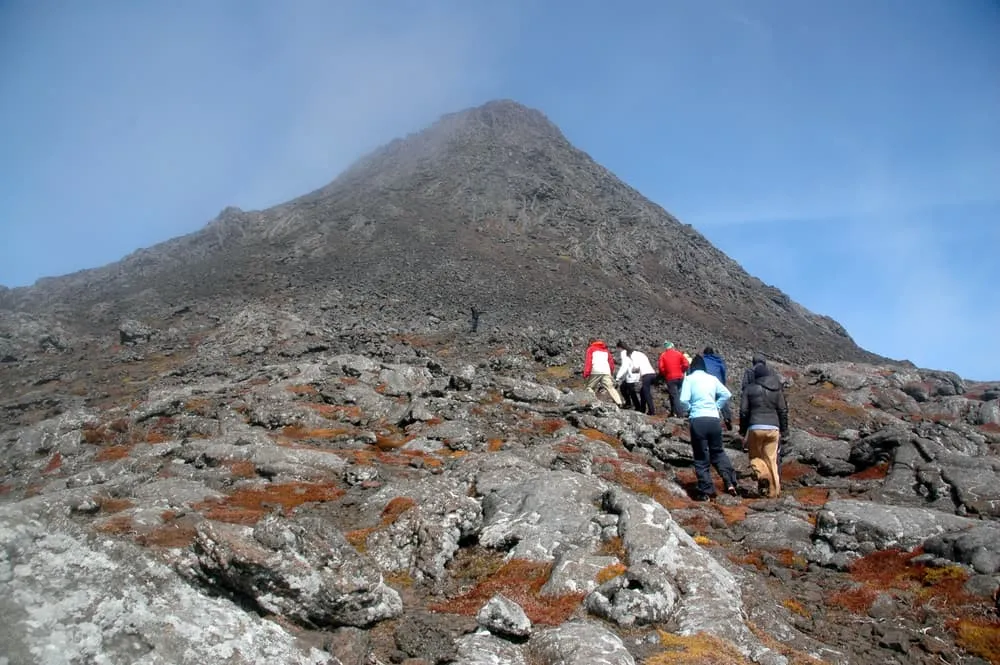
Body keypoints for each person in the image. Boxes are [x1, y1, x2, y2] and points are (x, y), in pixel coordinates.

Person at [680, 354, 738, 500]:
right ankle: (730, 481)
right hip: (714, 420)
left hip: (698, 420)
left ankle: (707, 490)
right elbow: (726, 394)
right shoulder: (712, 378)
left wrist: (690, 409)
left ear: (692, 367)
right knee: (718, 452)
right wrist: (716, 407)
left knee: (701, 456)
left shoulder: (689, 378)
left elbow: (683, 400)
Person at [739, 363, 789, 498]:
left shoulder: (749, 389)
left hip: (755, 426)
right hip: (774, 428)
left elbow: (743, 411)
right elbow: (783, 410)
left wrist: (743, 430)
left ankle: (763, 475)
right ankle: (774, 492)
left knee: (755, 456)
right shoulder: (776, 389)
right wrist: (784, 430)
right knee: (772, 460)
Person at [617, 342, 657, 415]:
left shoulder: (626, 353)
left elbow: (629, 366)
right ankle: (642, 408)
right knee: (642, 392)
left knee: (645, 393)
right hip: (652, 373)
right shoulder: (640, 354)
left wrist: (618, 377)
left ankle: (651, 411)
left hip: (645, 374)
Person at [584, 339, 623, 407]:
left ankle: (593, 401)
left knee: (590, 387)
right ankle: (619, 402)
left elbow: (588, 362)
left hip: (595, 370)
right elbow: (611, 362)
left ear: (590, 343)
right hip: (606, 371)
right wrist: (610, 371)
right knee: (610, 387)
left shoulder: (591, 349)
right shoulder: (606, 350)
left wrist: (586, 373)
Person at [702, 346, 733, 430]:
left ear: (704, 353)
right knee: (722, 399)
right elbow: (723, 373)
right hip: (718, 382)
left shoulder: (702, 361)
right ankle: (727, 418)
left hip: (706, 383)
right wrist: (722, 384)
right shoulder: (718, 361)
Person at [657, 342, 689, 417]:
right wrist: (682, 370)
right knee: (677, 394)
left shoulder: (663, 355)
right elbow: (686, 364)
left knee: (674, 396)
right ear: (672, 347)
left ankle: (680, 414)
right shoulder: (678, 353)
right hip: (680, 377)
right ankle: (673, 411)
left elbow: (661, 368)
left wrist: (666, 373)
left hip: (670, 378)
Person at [614, 341, 641, 411]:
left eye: (617, 348)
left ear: (620, 347)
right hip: (636, 373)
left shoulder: (624, 353)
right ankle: (630, 404)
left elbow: (624, 366)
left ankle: (636, 406)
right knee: (624, 387)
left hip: (631, 375)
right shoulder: (633, 352)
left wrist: (618, 377)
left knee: (631, 391)